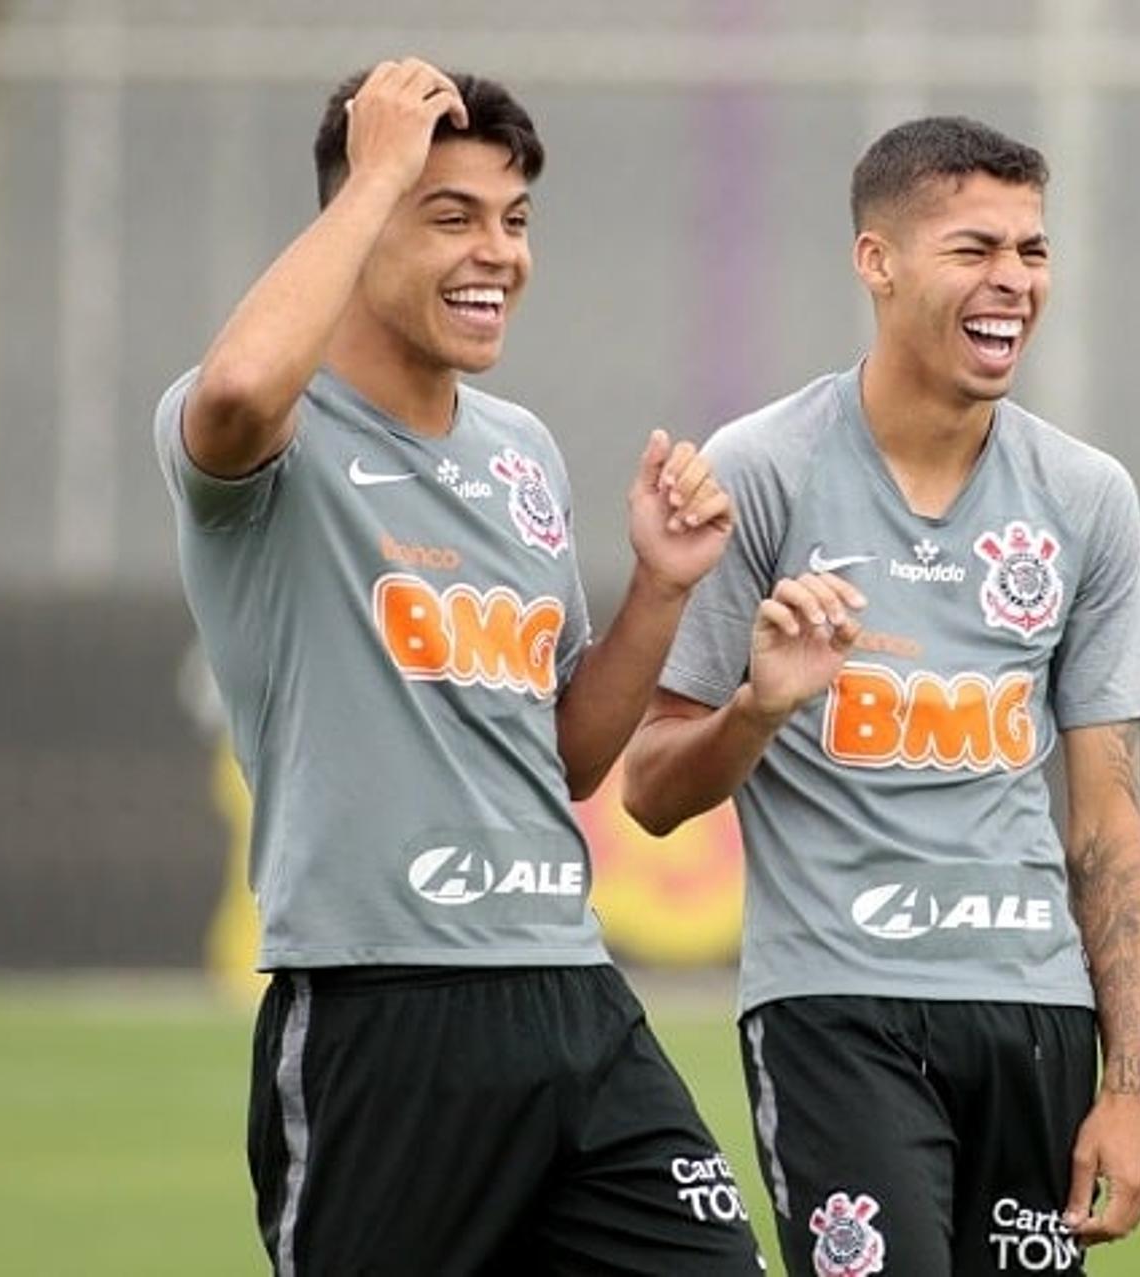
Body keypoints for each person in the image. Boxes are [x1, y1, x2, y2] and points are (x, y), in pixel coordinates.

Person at [153, 60, 764, 1275]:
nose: (500, 254)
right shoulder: (274, 429)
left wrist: (659, 588)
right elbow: (233, 389)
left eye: (515, 220)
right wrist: (378, 167)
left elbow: (571, 756)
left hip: (569, 990)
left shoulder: (521, 450)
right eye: (451, 217)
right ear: (361, 219)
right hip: (383, 1007)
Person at [624, 115, 1140, 1276]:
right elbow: (652, 786)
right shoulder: (763, 468)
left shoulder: (1087, 496)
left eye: (1032, 250)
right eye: (975, 248)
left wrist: (1128, 1084)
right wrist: (761, 708)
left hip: (1036, 1021)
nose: (1013, 282)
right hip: (837, 1012)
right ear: (877, 261)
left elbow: (1107, 817)